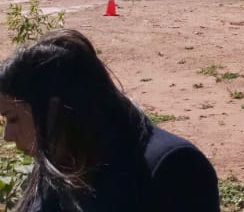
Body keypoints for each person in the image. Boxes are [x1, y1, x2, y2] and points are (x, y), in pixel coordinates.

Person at [0, 29, 219, 212]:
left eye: (13, 118)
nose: (7, 136)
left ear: (55, 109)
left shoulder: (174, 168)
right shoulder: (61, 161)